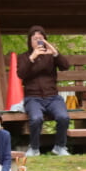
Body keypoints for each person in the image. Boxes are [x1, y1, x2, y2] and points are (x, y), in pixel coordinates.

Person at [17, 25, 70, 157]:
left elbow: (65, 66)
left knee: (63, 117)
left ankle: (60, 146)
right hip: (33, 98)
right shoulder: (24, 57)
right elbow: (21, 74)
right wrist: (32, 58)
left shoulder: (51, 56)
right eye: (35, 38)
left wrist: (55, 52)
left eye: (41, 38)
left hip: (52, 97)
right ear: (29, 41)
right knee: (36, 119)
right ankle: (34, 148)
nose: (38, 41)